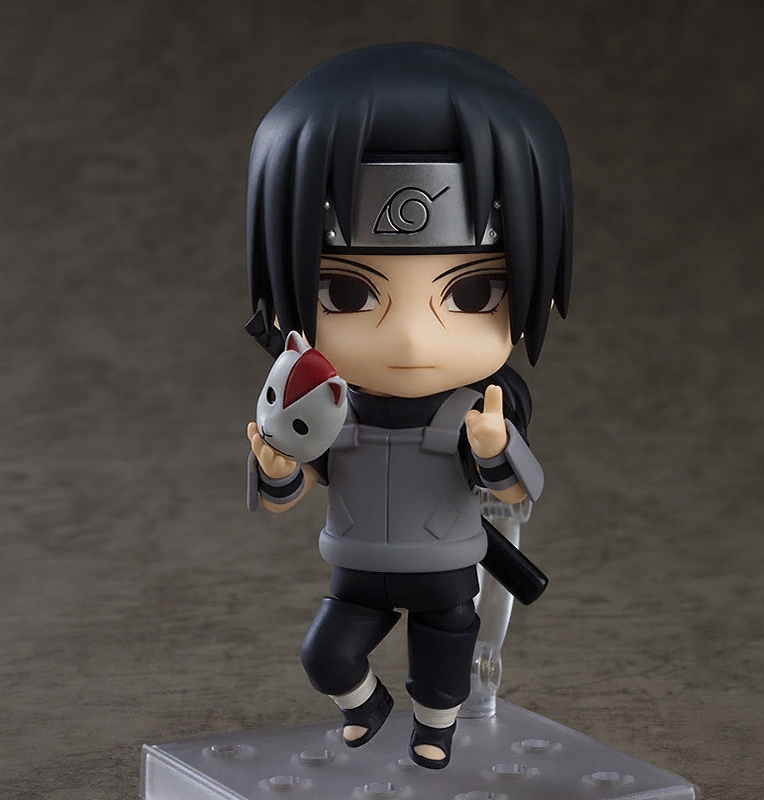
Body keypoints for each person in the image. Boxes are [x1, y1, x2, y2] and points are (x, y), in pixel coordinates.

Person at [244, 43, 572, 769]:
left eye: (472, 293)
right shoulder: (332, 405)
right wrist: (277, 468)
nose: (411, 338)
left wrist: (493, 449)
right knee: (326, 656)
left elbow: (520, 490)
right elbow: (289, 488)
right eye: (348, 292)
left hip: (446, 567)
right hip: (356, 567)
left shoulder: (474, 411)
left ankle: (435, 729)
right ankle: (366, 706)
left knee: (444, 666)